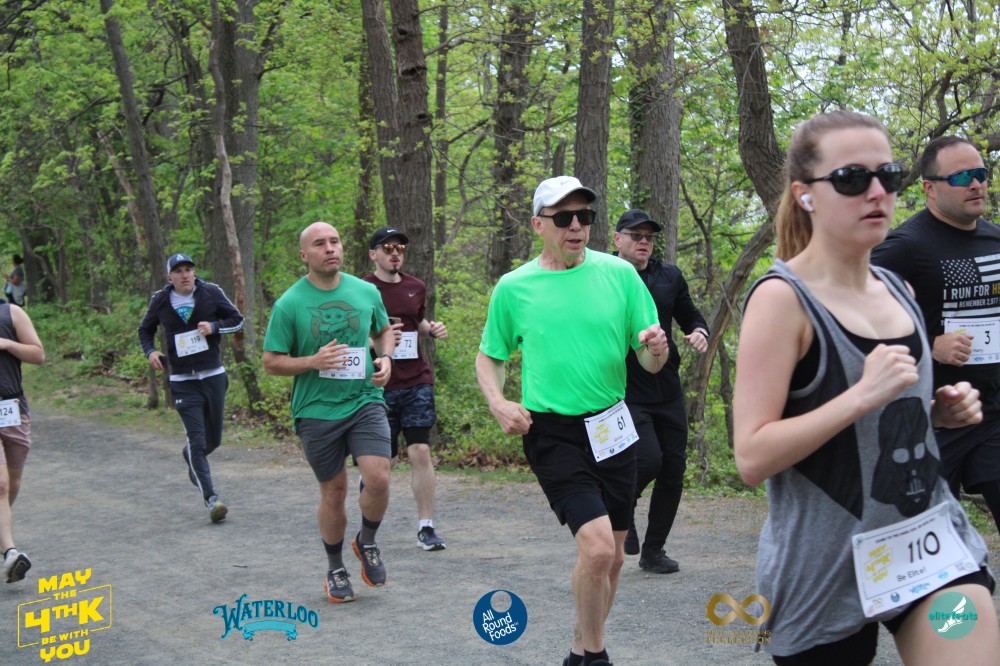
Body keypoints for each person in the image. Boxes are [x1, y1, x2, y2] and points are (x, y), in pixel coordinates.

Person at [733, 110, 999, 664]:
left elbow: (889, 416)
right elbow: (753, 456)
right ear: (806, 194)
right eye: (853, 178)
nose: (877, 192)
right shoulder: (782, 300)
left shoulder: (898, 289)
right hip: (825, 570)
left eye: (889, 175)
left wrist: (937, 412)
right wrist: (861, 396)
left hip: (928, 551)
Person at [477, 176, 668, 666]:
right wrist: (498, 402)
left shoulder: (620, 275)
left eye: (585, 216)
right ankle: (597, 656)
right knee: (598, 549)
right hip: (553, 432)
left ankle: (579, 650)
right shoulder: (515, 287)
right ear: (538, 225)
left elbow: (649, 361)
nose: (577, 226)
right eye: (563, 218)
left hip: (613, 427)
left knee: (614, 557)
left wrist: (656, 350)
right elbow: (490, 355)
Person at [871, 137, 1000, 536]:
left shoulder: (995, 240)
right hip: (931, 419)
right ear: (929, 187)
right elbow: (855, 323)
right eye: (961, 177)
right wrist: (930, 344)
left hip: (992, 411)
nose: (975, 184)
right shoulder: (904, 247)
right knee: (936, 540)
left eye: (980, 174)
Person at [263, 222, 395, 604]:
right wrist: (312, 361)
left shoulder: (366, 291)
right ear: (304, 255)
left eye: (334, 241)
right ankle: (335, 567)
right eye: (319, 244)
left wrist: (386, 358)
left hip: (364, 399)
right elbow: (271, 361)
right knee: (334, 491)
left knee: (379, 477)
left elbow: (383, 331)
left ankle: (366, 541)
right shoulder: (289, 303)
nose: (330, 248)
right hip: (316, 409)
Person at [612, 209, 709, 574]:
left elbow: (692, 316)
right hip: (624, 389)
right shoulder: (604, 277)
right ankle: (621, 506)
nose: (643, 242)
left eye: (649, 237)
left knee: (673, 468)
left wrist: (700, 331)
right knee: (648, 459)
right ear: (618, 239)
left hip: (666, 387)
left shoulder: (670, 276)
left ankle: (653, 551)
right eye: (635, 235)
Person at [138, 253, 244, 524]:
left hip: (213, 376)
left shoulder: (211, 292)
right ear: (169, 277)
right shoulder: (160, 300)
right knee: (197, 441)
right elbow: (145, 331)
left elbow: (237, 319)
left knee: (213, 440)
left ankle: (192, 458)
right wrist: (150, 351)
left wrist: (214, 327)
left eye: (188, 269)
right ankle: (211, 499)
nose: (185, 275)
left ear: (194, 272)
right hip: (182, 381)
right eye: (178, 271)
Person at [363, 226, 448, 551]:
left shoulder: (416, 286)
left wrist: (432, 329)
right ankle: (367, 525)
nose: (395, 253)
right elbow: (353, 335)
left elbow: (418, 324)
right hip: (379, 383)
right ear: (373, 254)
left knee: (420, 450)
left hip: (416, 379)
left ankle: (426, 527)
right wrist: (377, 343)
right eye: (387, 248)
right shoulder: (362, 290)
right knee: (382, 463)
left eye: (399, 248)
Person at [0, 301, 44, 583]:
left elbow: (38, 355)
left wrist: (6, 344)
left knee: (13, 484)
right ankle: (10, 552)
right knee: (1, 485)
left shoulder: (11, 313)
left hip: (13, 409)